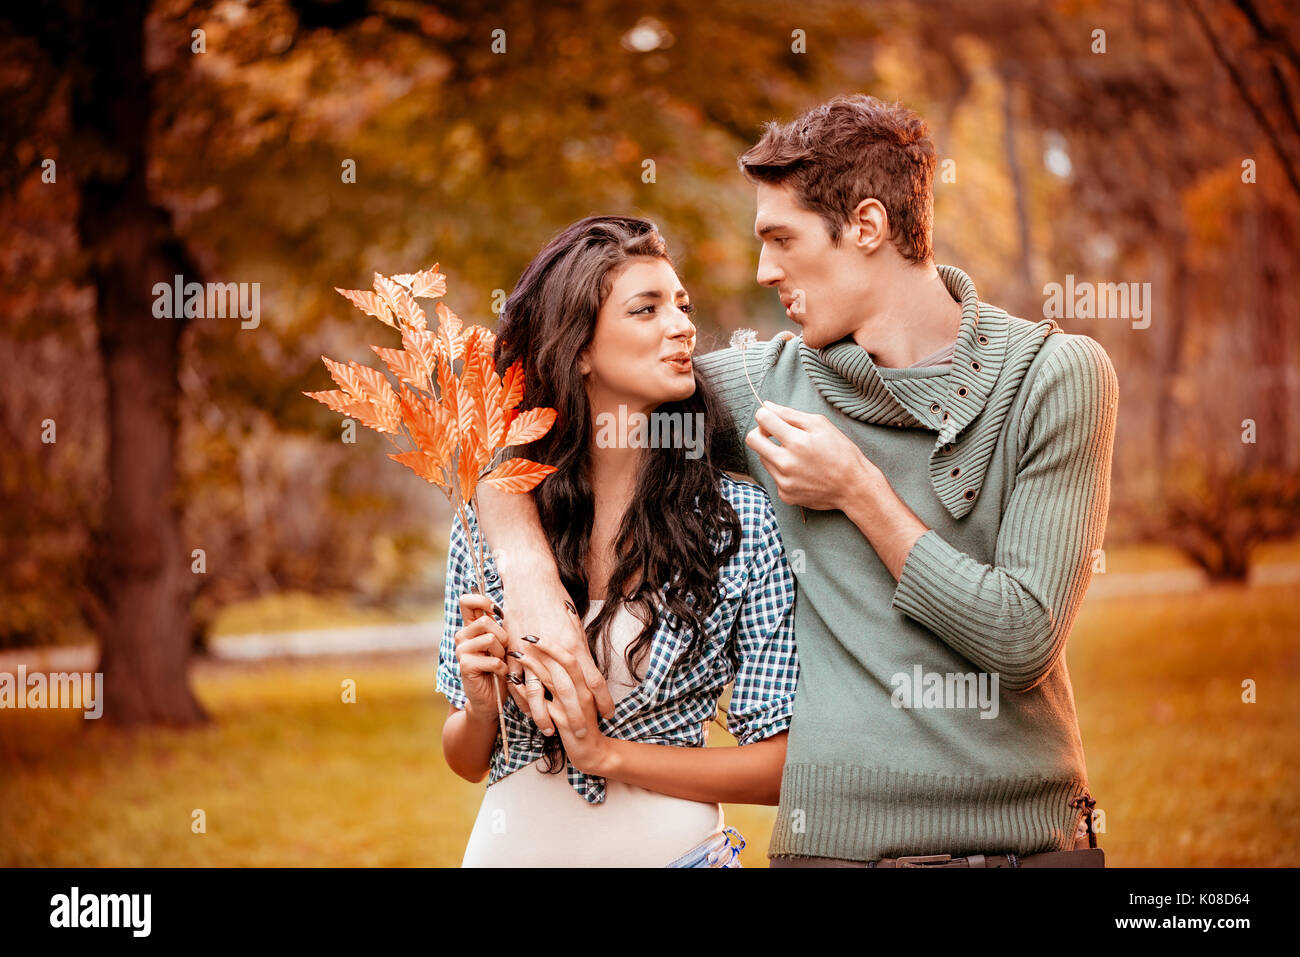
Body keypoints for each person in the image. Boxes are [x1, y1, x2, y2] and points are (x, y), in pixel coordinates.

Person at [478, 96, 1118, 867]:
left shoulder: (1055, 377)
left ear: (869, 227)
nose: (763, 269)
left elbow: (1022, 638)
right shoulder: (757, 386)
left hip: (1028, 849)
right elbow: (529, 412)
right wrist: (526, 569)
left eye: (782, 239)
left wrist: (859, 490)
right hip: (831, 855)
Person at [436, 215, 800, 867]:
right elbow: (466, 760)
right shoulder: (490, 521)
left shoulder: (736, 521)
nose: (683, 325)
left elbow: (781, 764)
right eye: (647, 308)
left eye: (683, 306)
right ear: (578, 348)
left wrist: (609, 756)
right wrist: (481, 705)